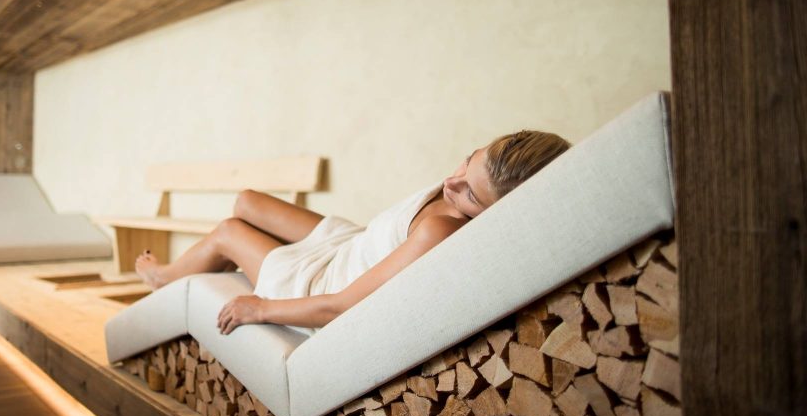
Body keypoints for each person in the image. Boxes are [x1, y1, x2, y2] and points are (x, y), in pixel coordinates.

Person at [134, 130, 570, 335]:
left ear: (496, 213)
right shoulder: (458, 196)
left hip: (325, 279)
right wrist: (467, 187)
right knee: (247, 200)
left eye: (471, 195)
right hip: (352, 243)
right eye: (466, 162)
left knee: (230, 230)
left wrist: (262, 308)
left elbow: (340, 307)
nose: (451, 183)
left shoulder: (441, 231)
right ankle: (214, 264)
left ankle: (166, 278)